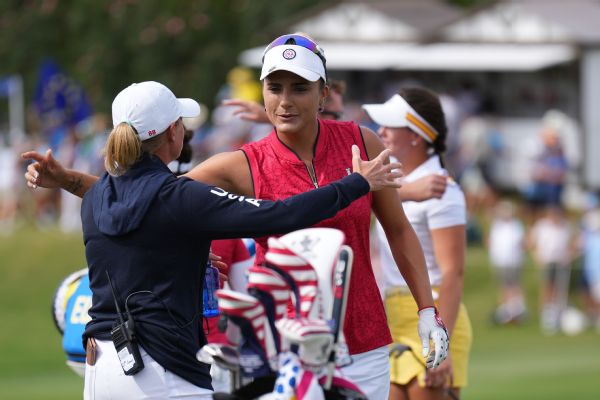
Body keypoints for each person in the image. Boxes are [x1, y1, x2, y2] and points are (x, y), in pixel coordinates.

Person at [23, 33, 449, 399]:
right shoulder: (241, 163)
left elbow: (398, 230)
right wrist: (68, 180)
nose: (284, 101)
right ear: (261, 92)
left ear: (323, 92)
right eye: (274, 87)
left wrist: (427, 311)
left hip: (363, 337)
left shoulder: (362, 142)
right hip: (280, 344)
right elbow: (150, 200)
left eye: (299, 87)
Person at [363, 88, 472, 400]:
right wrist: (408, 190)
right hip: (395, 318)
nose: (380, 132)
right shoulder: (398, 184)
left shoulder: (443, 191)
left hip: (435, 318)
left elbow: (453, 274)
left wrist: (442, 343)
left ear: (416, 135)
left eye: (389, 125)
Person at [529, 205, 574, 334]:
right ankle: (547, 319)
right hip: (547, 261)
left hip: (561, 262)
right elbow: (532, 243)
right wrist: (536, 256)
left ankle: (558, 318)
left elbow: (571, 243)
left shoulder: (565, 226)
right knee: (547, 288)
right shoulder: (541, 226)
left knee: (560, 290)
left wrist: (569, 254)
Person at [488, 199, 527, 325]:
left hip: (513, 261)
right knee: (504, 287)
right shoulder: (496, 225)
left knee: (514, 286)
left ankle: (517, 311)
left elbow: (520, 243)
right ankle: (505, 312)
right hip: (501, 262)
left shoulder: (516, 225)